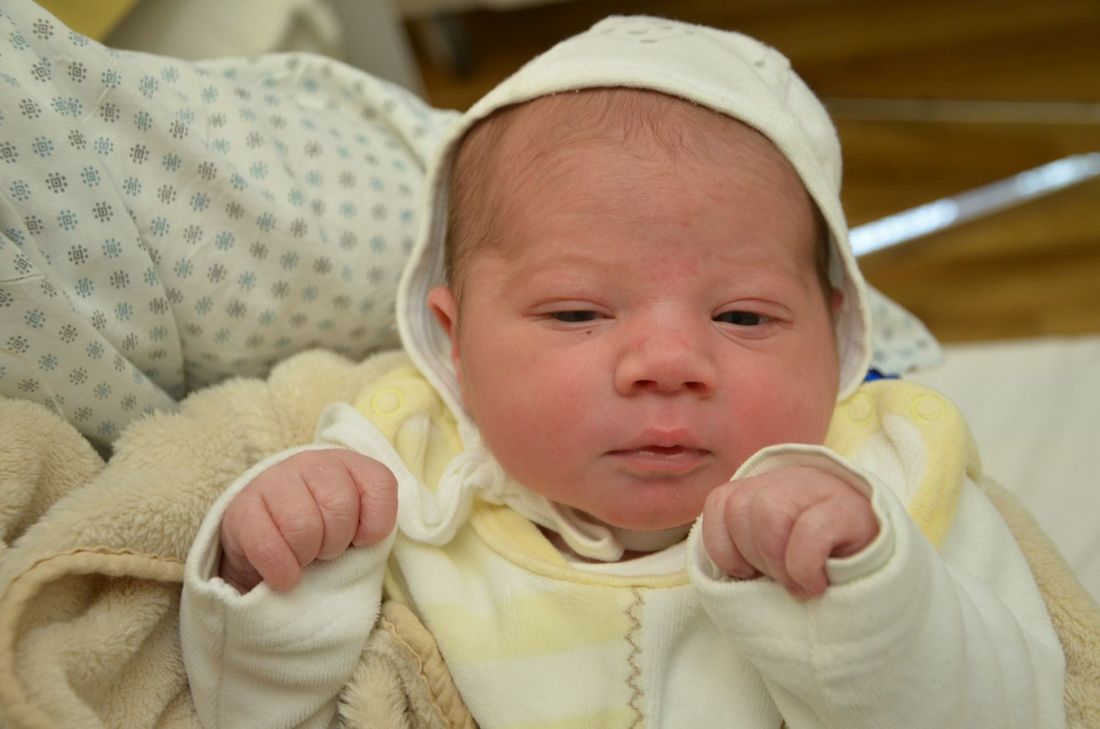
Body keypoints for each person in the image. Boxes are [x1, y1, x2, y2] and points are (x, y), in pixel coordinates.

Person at [180, 16, 1065, 729]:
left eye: (744, 316)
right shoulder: (393, 461)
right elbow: (247, 708)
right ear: (454, 343)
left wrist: (868, 592)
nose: (668, 365)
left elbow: (1024, 707)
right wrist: (278, 580)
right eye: (577, 313)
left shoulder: (887, 477)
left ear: (834, 337)